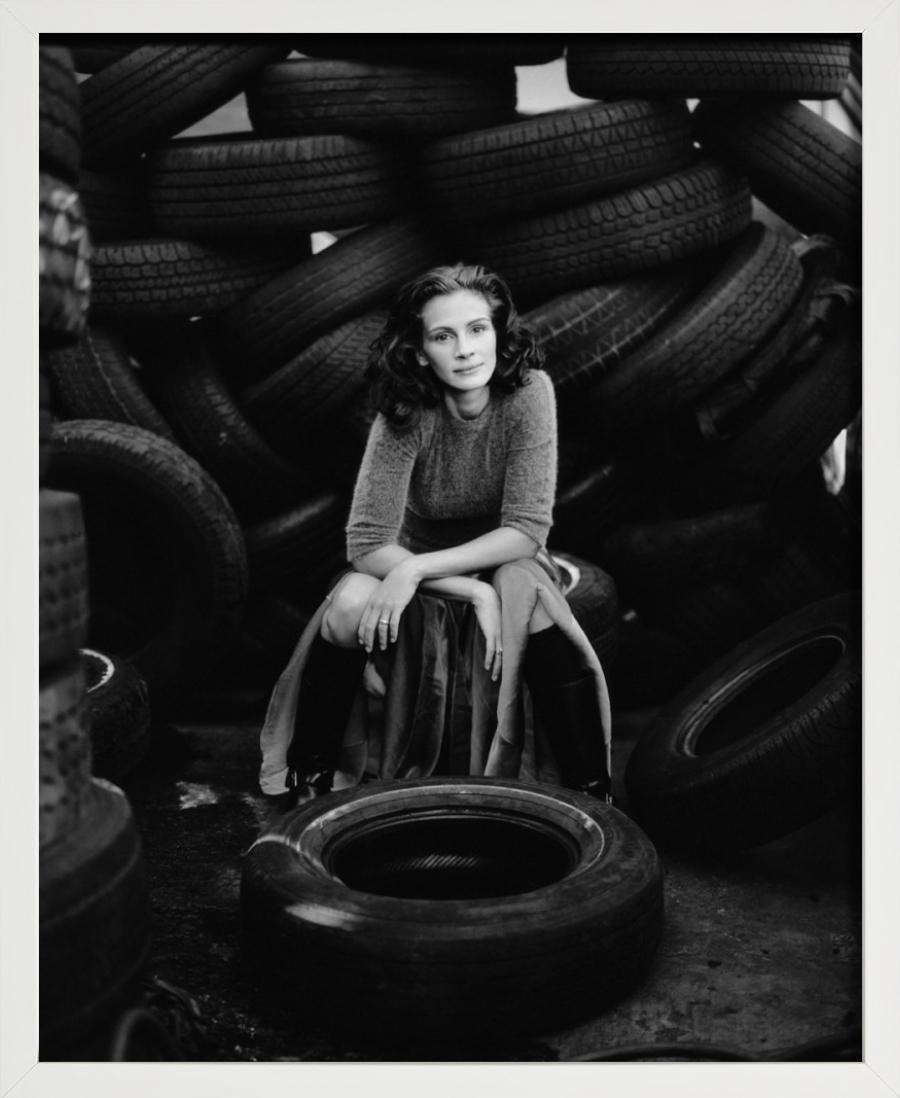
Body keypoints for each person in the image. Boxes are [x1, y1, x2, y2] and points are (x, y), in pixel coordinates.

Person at [258, 263, 612, 805]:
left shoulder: (529, 393)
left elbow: (525, 530)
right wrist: (454, 583)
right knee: (349, 604)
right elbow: (368, 541)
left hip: (500, 556)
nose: (466, 349)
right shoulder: (405, 412)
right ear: (421, 352)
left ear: (497, 333)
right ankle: (312, 777)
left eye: (478, 329)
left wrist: (425, 572)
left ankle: (591, 789)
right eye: (444, 336)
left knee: (527, 592)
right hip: (414, 557)